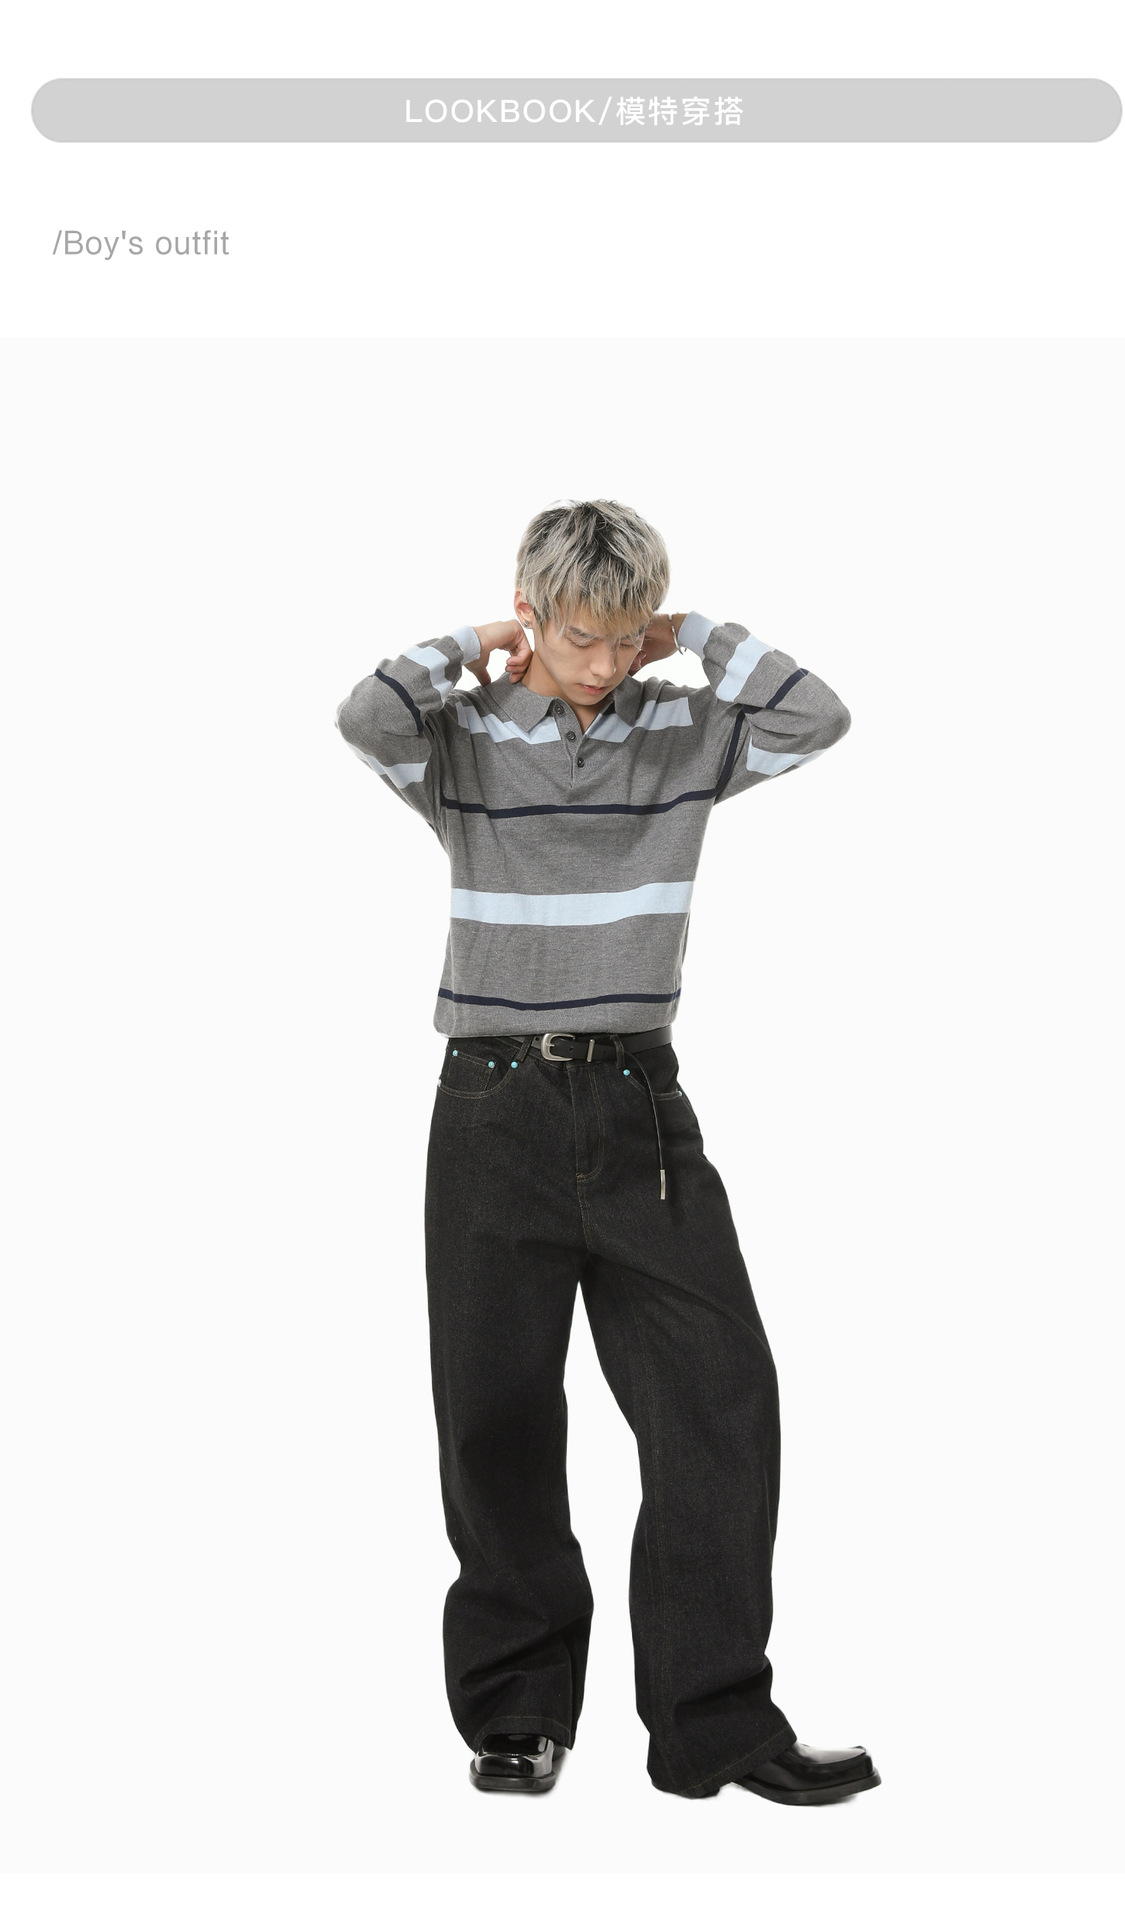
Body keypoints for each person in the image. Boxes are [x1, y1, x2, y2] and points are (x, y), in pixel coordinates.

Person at [334, 498, 880, 1806]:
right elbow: (364, 717)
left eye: (628, 637)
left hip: (640, 1107)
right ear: (531, 611)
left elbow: (816, 717)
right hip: (490, 1109)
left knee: (719, 1401)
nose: (605, 662)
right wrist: (471, 646)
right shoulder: (463, 739)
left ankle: (711, 1726)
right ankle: (517, 1713)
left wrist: (692, 634)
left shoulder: (679, 727)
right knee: (497, 1418)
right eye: (583, 635)